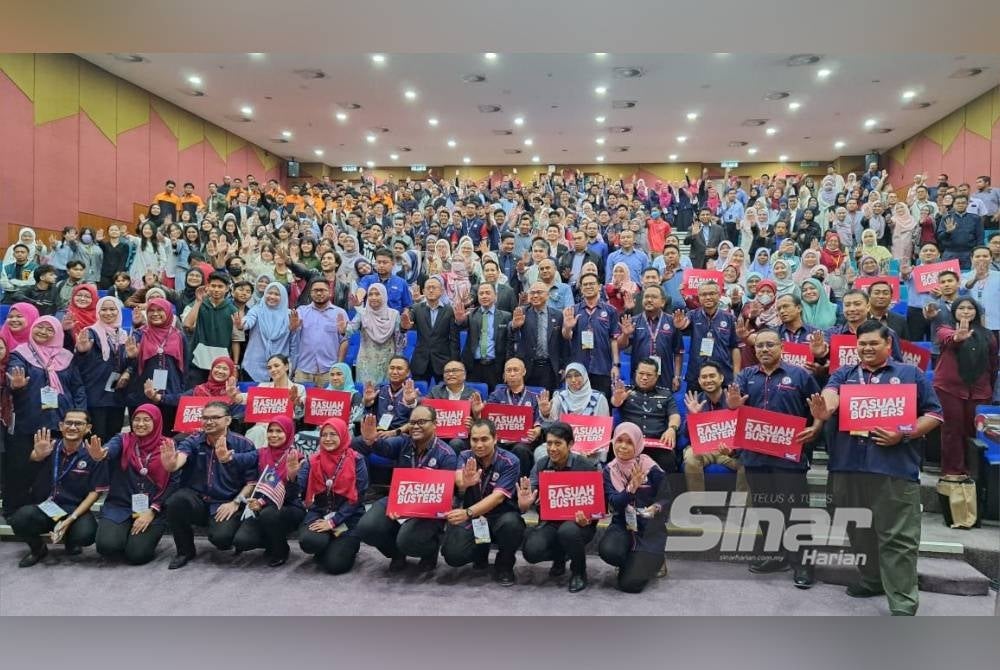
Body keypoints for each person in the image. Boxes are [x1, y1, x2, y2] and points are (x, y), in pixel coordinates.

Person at [810, 320, 944, 616]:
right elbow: (831, 395)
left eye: (873, 343)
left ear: (888, 345)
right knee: (858, 531)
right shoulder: (844, 373)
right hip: (847, 466)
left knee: (898, 538)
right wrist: (826, 409)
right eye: (862, 344)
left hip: (893, 468)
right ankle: (872, 580)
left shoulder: (910, 374)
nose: (867, 348)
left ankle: (902, 603)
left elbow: (934, 414)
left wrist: (904, 433)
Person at [727, 328, 822, 587]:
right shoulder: (745, 376)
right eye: (759, 346)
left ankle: (804, 564)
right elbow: (735, 412)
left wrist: (815, 428)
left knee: (795, 512)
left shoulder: (800, 375)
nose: (764, 349)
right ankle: (777, 556)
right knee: (767, 509)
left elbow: (818, 409)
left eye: (770, 344)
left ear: (782, 347)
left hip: (788, 457)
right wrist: (733, 407)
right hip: (755, 456)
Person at [354, 404, 458, 572]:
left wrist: (408, 509)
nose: (416, 426)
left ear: (435, 424)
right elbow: (383, 448)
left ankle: (429, 551)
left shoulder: (447, 455)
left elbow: (444, 498)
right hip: (399, 500)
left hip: (429, 509)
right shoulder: (404, 442)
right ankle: (397, 554)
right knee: (367, 527)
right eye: (412, 422)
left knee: (407, 539)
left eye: (422, 422)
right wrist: (370, 440)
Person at [5, 317, 87, 514]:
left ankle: (50, 510)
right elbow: (13, 375)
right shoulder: (21, 354)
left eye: (49, 329)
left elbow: (78, 388)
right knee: (22, 465)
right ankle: (15, 511)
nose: (43, 332)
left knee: (53, 470)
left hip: (61, 423)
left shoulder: (67, 357)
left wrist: (80, 414)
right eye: (39, 327)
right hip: (29, 421)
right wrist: (14, 385)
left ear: (57, 333)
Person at [161, 401, 257, 569]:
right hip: (197, 499)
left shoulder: (244, 444)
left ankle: (232, 532)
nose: (209, 422)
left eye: (215, 418)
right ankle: (184, 551)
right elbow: (179, 459)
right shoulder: (193, 440)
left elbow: (252, 482)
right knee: (175, 502)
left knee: (222, 539)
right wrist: (171, 465)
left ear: (228, 420)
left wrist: (236, 502)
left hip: (226, 502)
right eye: (205, 418)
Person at [7, 410, 107, 567]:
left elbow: (95, 492)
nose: (72, 427)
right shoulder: (48, 447)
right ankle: (38, 549)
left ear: (88, 428)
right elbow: (20, 477)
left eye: (79, 423)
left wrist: (71, 518)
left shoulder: (93, 454)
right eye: (68, 423)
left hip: (74, 509)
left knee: (86, 534)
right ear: (61, 426)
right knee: (19, 519)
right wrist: (35, 457)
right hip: (45, 507)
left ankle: (71, 540)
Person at [442, 418, 526, 587]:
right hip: (474, 520)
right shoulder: (465, 456)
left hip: (499, 516)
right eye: (474, 440)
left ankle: (504, 564)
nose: (479, 445)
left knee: (512, 524)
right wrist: (465, 483)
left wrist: (468, 512)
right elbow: (459, 479)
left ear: (495, 439)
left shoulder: (510, 461)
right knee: (453, 555)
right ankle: (480, 551)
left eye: (484, 439)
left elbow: (498, 497)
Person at [518, 422, 599, 592]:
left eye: (558, 443)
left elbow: (598, 505)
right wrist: (526, 501)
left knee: (567, 532)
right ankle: (560, 557)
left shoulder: (586, 466)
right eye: (549, 443)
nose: (552, 448)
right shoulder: (541, 464)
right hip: (550, 522)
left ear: (570, 444)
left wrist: (589, 518)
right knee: (531, 551)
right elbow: (530, 491)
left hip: (579, 524)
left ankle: (579, 572)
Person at [90, 404, 175, 565]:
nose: (140, 424)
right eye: (136, 419)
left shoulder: (168, 446)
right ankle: (122, 532)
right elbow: (110, 449)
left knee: (137, 555)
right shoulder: (123, 439)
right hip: (120, 504)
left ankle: (138, 538)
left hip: (152, 507)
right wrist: (102, 454)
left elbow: (174, 482)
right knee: (106, 547)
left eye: (146, 420)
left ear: (156, 422)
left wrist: (152, 511)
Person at [598, 422, 670, 593]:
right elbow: (615, 502)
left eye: (629, 442)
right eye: (619, 440)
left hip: (649, 530)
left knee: (629, 585)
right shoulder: (609, 470)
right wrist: (630, 489)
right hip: (623, 525)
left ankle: (656, 560)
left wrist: (656, 507)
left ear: (637, 443)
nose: (623, 446)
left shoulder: (650, 467)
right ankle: (631, 562)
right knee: (609, 550)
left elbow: (666, 496)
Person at [932, 299, 997, 484]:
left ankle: (974, 471)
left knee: (973, 431)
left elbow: (993, 364)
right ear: (954, 311)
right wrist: (957, 337)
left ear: (976, 312)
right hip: (949, 388)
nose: (966, 311)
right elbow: (947, 338)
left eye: (970, 308)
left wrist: (990, 389)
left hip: (980, 390)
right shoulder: (945, 329)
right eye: (961, 308)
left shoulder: (989, 336)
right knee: (952, 430)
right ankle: (953, 470)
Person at [230, 415, 306, 566]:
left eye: (279, 431)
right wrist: (228, 457)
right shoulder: (262, 453)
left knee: (269, 514)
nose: (273, 435)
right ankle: (272, 541)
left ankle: (281, 551)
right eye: (271, 430)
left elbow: (294, 493)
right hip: (261, 506)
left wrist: (292, 477)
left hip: (289, 507)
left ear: (289, 433)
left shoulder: (296, 457)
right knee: (242, 541)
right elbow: (243, 458)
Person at [297, 418, 368, 575]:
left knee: (335, 565)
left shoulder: (357, 460)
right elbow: (301, 490)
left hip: (349, 517)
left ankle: (347, 546)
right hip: (320, 513)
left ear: (343, 435)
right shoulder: (312, 460)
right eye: (324, 435)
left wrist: (333, 521)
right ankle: (327, 543)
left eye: (333, 434)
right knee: (309, 542)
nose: (328, 439)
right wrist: (292, 477)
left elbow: (358, 497)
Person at [681, 362, 748, 495]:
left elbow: (745, 432)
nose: (708, 380)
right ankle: (697, 508)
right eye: (704, 377)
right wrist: (693, 418)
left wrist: (732, 451)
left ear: (721, 378)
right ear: (699, 381)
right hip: (705, 450)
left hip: (729, 452)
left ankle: (740, 510)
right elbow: (687, 436)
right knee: (690, 456)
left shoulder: (733, 398)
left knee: (749, 462)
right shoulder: (697, 401)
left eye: (712, 376)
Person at [72, 296, 130, 442]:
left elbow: (128, 362)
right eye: (104, 309)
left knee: (114, 437)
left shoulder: (123, 335)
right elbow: (79, 365)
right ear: (98, 312)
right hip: (95, 395)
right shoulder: (90, 332)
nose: (108, 313)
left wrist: (128, 371)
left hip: (117, 396)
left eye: (112, 309)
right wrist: (81, 352)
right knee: (96, 439)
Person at [610, 357, 682, 473]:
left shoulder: (666, 394)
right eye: (641, 373)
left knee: (669, 459)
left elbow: (675, 416)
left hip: (657, 444)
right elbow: (615, 402)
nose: (644, 378)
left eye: (649, 375)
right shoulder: (626, 391)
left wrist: (672, 429)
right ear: (635, 373)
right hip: (629, 444)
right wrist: (618, 399)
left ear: (657, 376)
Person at [674, 280, 741, 391]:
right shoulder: (692, 315)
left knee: (723, 408)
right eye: (704, 294)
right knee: (695, 407)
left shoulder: (730, 318)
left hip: (723, 375)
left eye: (712, 294)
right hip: (697, 375)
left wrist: (736, 375)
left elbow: (735, 347)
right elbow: (684, 325)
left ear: (719, 296)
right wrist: (680, 326)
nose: (708, 297)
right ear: (699, 297)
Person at [562, 272, 621, 397]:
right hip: (578, 370)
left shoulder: (610, 311)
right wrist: (567, 327)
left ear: (599, 286)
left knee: (602, 407)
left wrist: (615, 365)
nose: (588, 286)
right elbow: (567, 336)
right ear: (581, 288)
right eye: (585, 284)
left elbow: (614, 340)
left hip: (602, 367)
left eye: (592, 284)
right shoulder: (573, 310)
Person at [618, 285, 684, 392]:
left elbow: (678, 353)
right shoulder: (633, 321)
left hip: (665, 377)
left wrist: (677, 376)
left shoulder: (672, 322)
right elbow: (620, 346)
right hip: (640, 378)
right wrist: (625, 334)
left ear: (662, 302)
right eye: (646, 297)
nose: (649, 300)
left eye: (653, 297)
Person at [452, 282, 513, 391]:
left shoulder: (506, 316)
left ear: (496, 296)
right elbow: (460, 325)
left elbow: (509, 344)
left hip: (496, 366)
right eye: (481, 294)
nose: (484, 296)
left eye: (488, 293)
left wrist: (507, 368)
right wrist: (459, 321)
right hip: (474, 367)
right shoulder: (471, 315)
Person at [290, 278, 349, 388]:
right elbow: (293, 337)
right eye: (315, 290)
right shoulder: (301, 311)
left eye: (322, 290)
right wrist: (293, 328)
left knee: (328, 404)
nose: (318, 293)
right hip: (304, 370)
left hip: (330, 371)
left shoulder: (339, 313)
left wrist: (338, 366)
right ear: (310, 293)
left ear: (330, 292)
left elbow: (344, 341)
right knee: (300, 403)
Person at [182, 272, 238, 386]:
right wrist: (198, 302)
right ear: (208, 287)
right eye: (213, 286)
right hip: (198, 358)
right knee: (195, 393)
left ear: (227, 288)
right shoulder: (200, 304)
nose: (216, 289)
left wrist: (235, 363)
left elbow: (236, 338)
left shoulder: (232, 309)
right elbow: (187, 324)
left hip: (221, 361)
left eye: (220, 286)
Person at [510, 282, 567, 392]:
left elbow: (563, 344)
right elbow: (510, 331)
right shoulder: (523, 312)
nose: (535, 295)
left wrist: (564, 366)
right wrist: (514, 326)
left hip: (549, 367)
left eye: (539, 292)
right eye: (532, 293)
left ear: (548, 295)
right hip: (528, 367)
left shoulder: (558, 315)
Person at [402, 276, 458, 385]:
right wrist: (404, 326)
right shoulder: (416, 308)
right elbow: (405, 324)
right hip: (420, 361)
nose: (431, 290)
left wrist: (454, 362)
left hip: (443, 361)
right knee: (418, 395)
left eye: (434, 287)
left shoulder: (449, 310)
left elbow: (454, 340)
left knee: (442, 397)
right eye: (428, 288)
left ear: (442, 291)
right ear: (423, 291)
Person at [233, 282, 293, 383]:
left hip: (279, 367)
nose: (272, 296)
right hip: (253, 366)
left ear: (283, 297)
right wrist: (241, 325)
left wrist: (294, 329)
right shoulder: (257, 310)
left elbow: (294, 341)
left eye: (277, 294)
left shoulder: (290, 315)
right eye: (269, 293)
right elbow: (249, 320)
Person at [347, 283, 403, 386]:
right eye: (370, 294)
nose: (373, 297)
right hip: (366, 362)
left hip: (387, 362)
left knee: (385, 394)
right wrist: (343, 328)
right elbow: (349, 330)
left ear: (384, 295)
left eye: (377, 294)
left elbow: (400, 342)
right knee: (366, 394)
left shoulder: (394, 314)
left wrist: (398, 363)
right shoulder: (362, 313)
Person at [936, 195, 983, 270]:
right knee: (949, 277)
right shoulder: (947, 218)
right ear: (953, 204)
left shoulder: (975, 218)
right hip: (950, 253)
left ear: (967, 204)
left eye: (963, 203)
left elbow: (980, 238)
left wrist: (978, 254)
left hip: (969, 253)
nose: (960, 205)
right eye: (958, 203)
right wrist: (947, 232)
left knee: (969, 277)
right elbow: (939, 237)